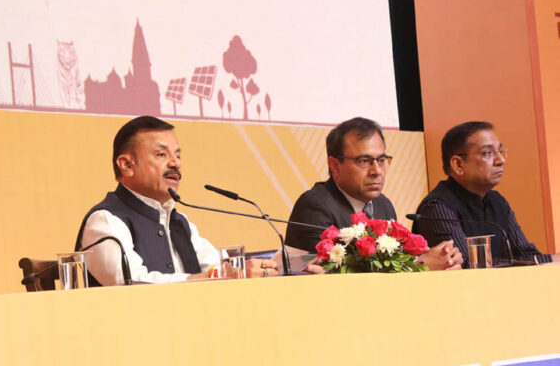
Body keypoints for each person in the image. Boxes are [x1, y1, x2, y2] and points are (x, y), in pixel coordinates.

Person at [75, 116, 316, 286]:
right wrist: (218, 277)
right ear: (127, 165)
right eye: (161, 154)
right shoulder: (105, 221)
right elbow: (131, 284)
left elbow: (217, 269)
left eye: (178, 155)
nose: (175, 163)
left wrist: (267, 272)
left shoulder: (179, 221)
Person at [285, 117, 462, 270]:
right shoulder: (315, 206)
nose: (377, 171)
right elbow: (329, 273)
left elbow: (391, 262)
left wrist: (445, 259)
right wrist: (421, 266)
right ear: (335, 166)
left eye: (381, 160)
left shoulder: (383, 205)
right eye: (364, 161)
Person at [412, 121, 557, 267]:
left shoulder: (497, 201)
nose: (501, 160)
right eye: (488, 153)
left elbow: (525, 254)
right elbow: (468, 265)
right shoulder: (437, 207)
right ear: (458, 164)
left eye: (500, 151)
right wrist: (531, 262)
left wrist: (553, 260)